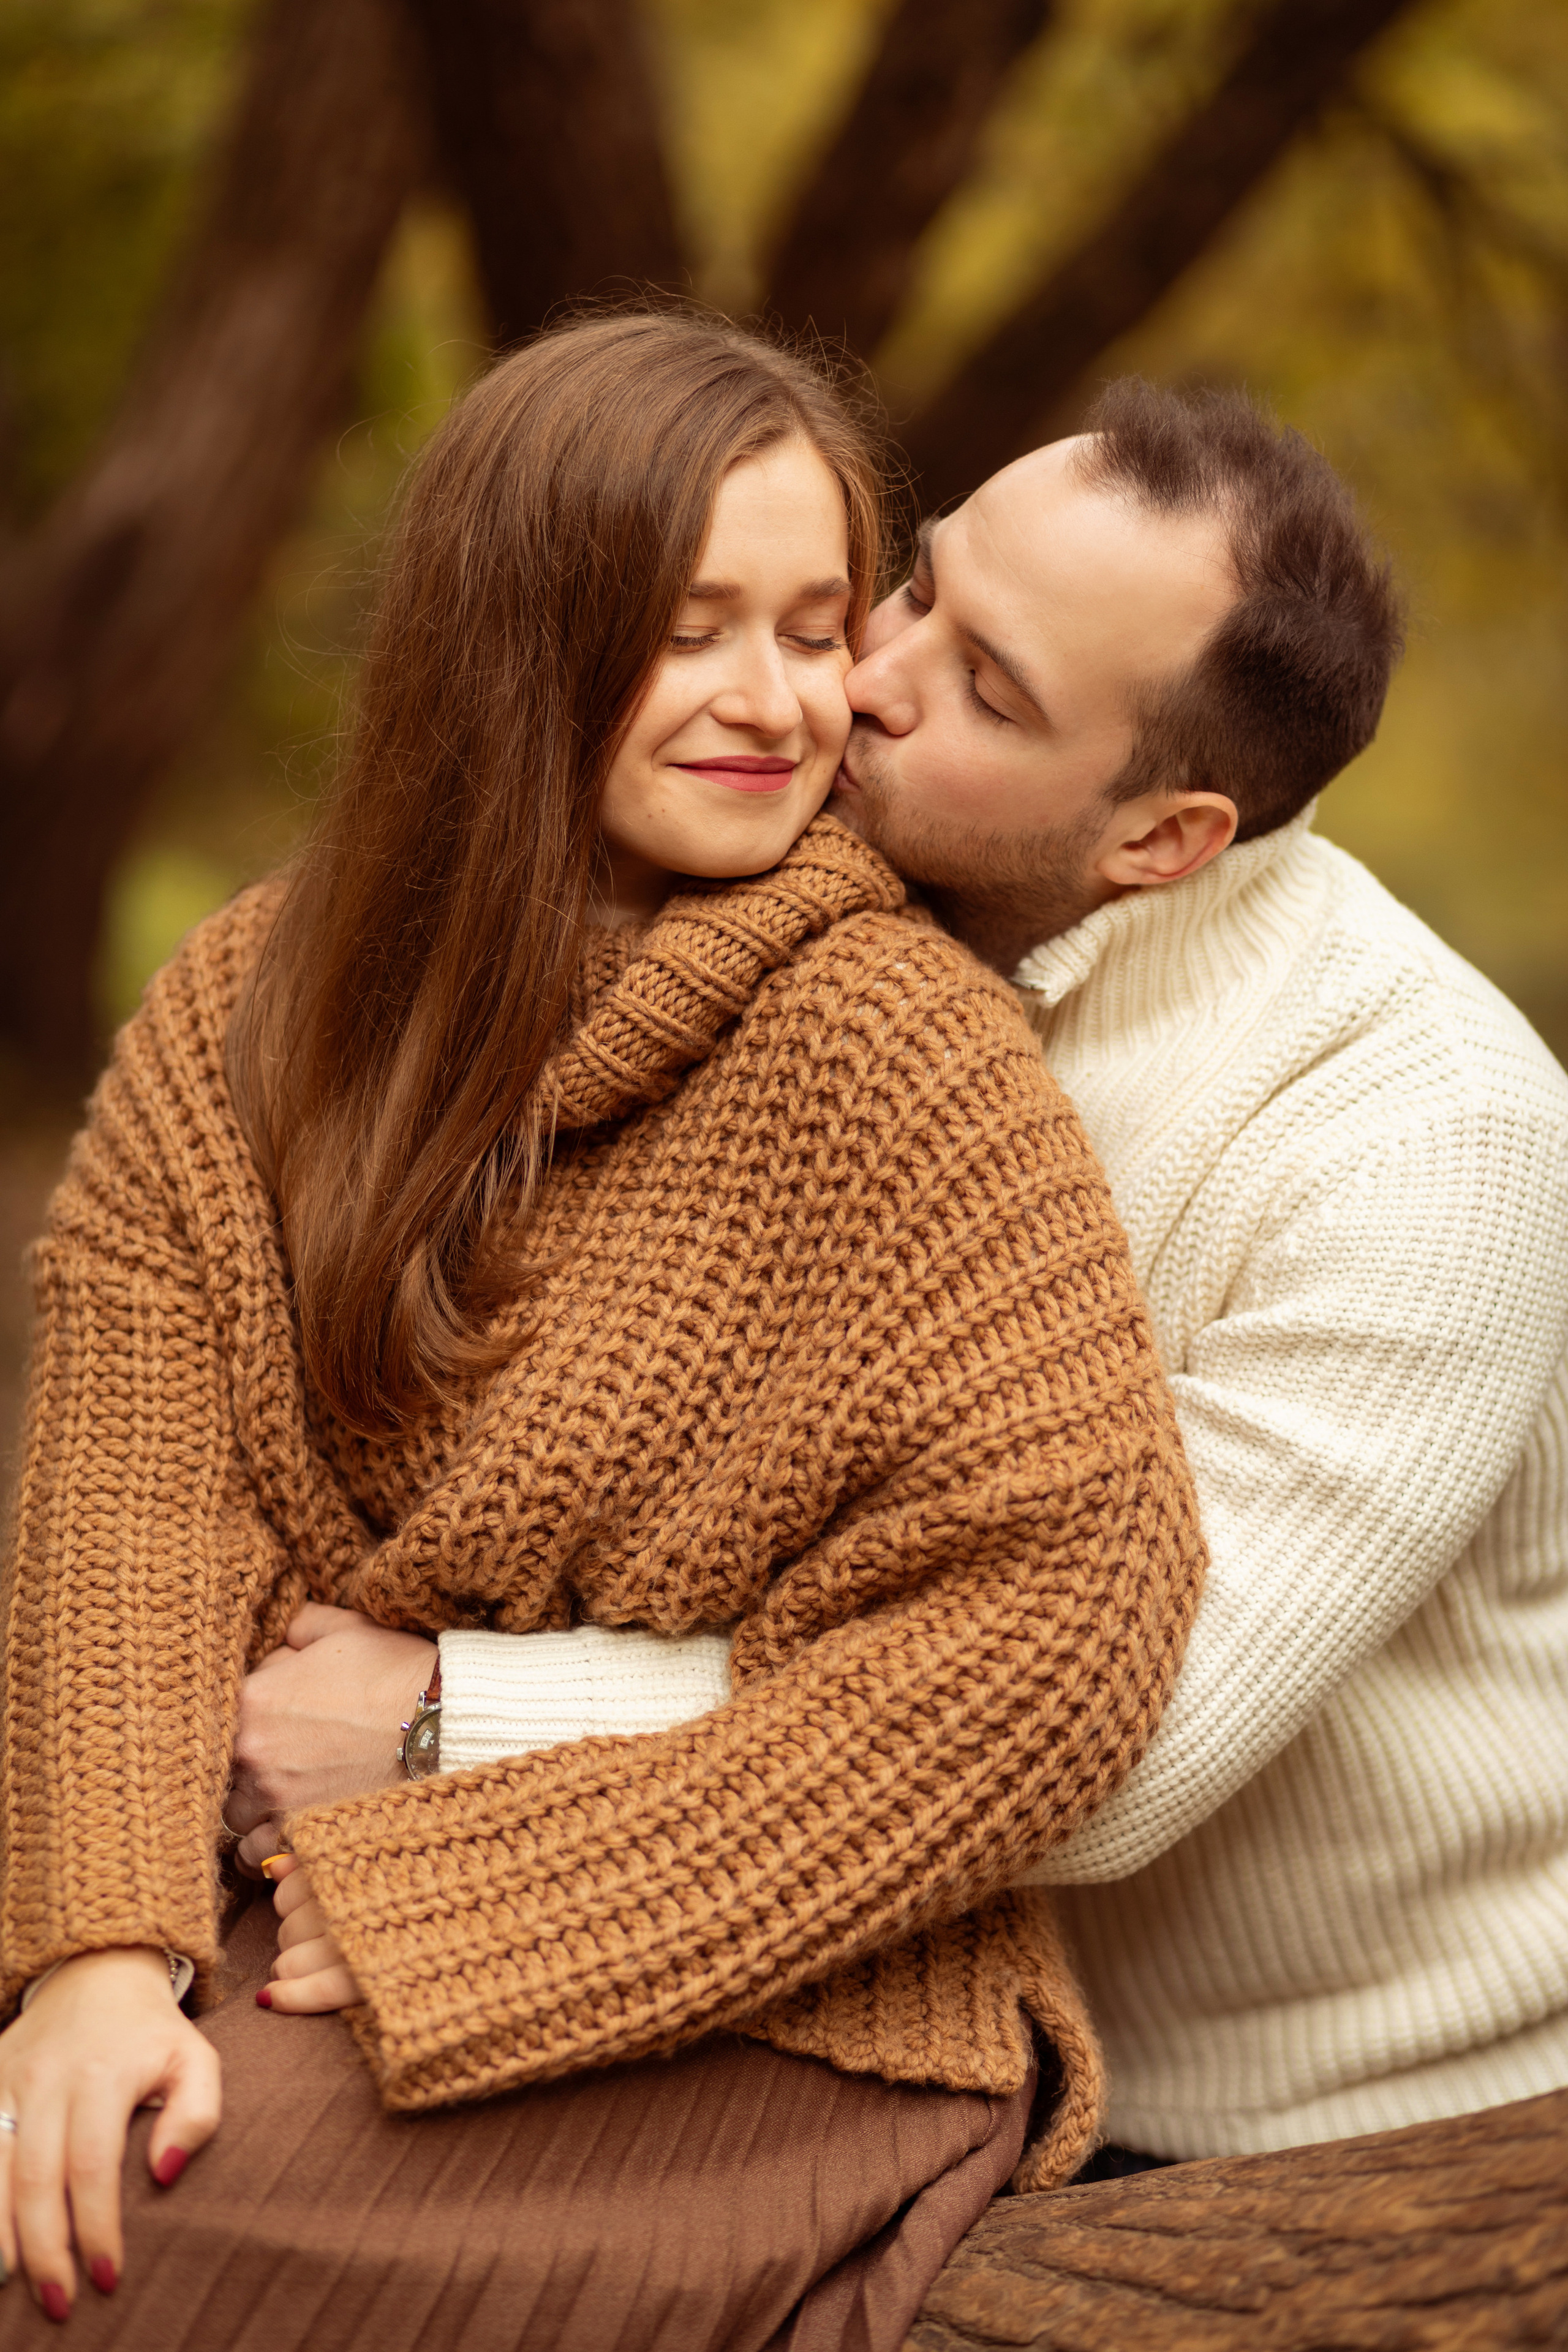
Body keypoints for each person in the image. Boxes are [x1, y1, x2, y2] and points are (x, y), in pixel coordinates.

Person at [0, 314, 1206, 2345]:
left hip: (766, 1992)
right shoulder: (253, 1004)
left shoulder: (898, 1056)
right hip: (251, 1893)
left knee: (110, 2255)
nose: (775, 702)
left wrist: (518, 1902)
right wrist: (96, 1955)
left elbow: (1070, 1621)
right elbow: (132, 1500)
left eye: (818, 630)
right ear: (515, 638)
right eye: (689, 628)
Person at [240, 375, 1568, 2169]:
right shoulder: (797, 911)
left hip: (1295, 2122)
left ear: (1161, 839)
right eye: (920, 586)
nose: (861, 674)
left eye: (983, 687)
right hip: (801, 1963)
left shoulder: (1429, 1141)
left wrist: (448, 1720)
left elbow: (1114, 1728)